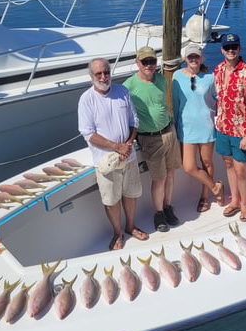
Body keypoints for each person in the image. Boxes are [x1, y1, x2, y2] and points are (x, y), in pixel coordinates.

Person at [78, 58, 148, 250]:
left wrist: (128, 144)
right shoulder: (86, 99)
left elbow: (134, 121)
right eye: (98, 74)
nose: (103, 77)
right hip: (106, 161)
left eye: (106, 72)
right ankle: (118, 233)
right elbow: (88, 133)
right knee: (111, 200)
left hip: (129, 155)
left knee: (131, 194)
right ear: (91, 76)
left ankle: (131, 226)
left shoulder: (122, 92)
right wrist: (117, 147)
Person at [123, 46, 182, 233]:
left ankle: (167, 206)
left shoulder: (162, 79)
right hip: (149, 138)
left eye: (152, 61)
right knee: (160, 178)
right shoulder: (128, 86)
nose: (149, 65)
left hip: (169, 131)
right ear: (137, 63)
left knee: (171, 174)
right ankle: (159, 214)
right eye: (145, 62)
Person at [214, 33, 246, 222]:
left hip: (242, 131)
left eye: (234, 46)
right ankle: (234, 201)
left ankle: (244, 204)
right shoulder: (218, 70)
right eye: (227, 47)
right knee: (228, 164)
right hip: (223, 128)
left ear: (239, 48)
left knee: (240, 169)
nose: (231, 50)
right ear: (222, 50)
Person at [172, 43, 224, 212]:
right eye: (190, 56)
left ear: (201, 58)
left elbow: (219, 100)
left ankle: (205, 196)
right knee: (188, 167)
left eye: (196, 56)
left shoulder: (210, 77)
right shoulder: (177, 76)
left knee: (207, 162)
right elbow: (175, 103)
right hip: (186, 129)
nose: (193, 59)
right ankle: (215, 187)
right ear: (185, 59)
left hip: (206, 127)